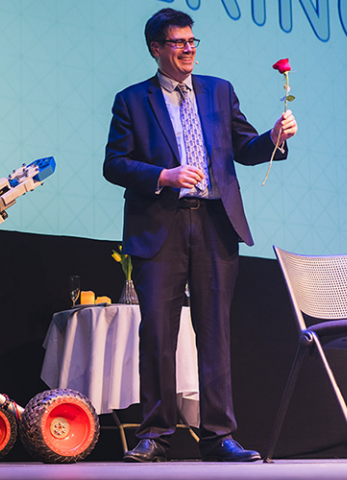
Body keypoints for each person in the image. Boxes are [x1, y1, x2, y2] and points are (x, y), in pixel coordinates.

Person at [103, 8, 298, 462]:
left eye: (193, 42)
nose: (189, 49)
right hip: (160, 227)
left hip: (214, 223)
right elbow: (113, 164)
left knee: (214, 332)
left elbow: (246, 148)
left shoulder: (219, 91)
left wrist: (273, 136)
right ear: (156, 49)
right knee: (157, 333)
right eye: (178, 43)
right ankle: (154, 434)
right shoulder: (132, 100)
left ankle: (218, 436)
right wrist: (163, 175)